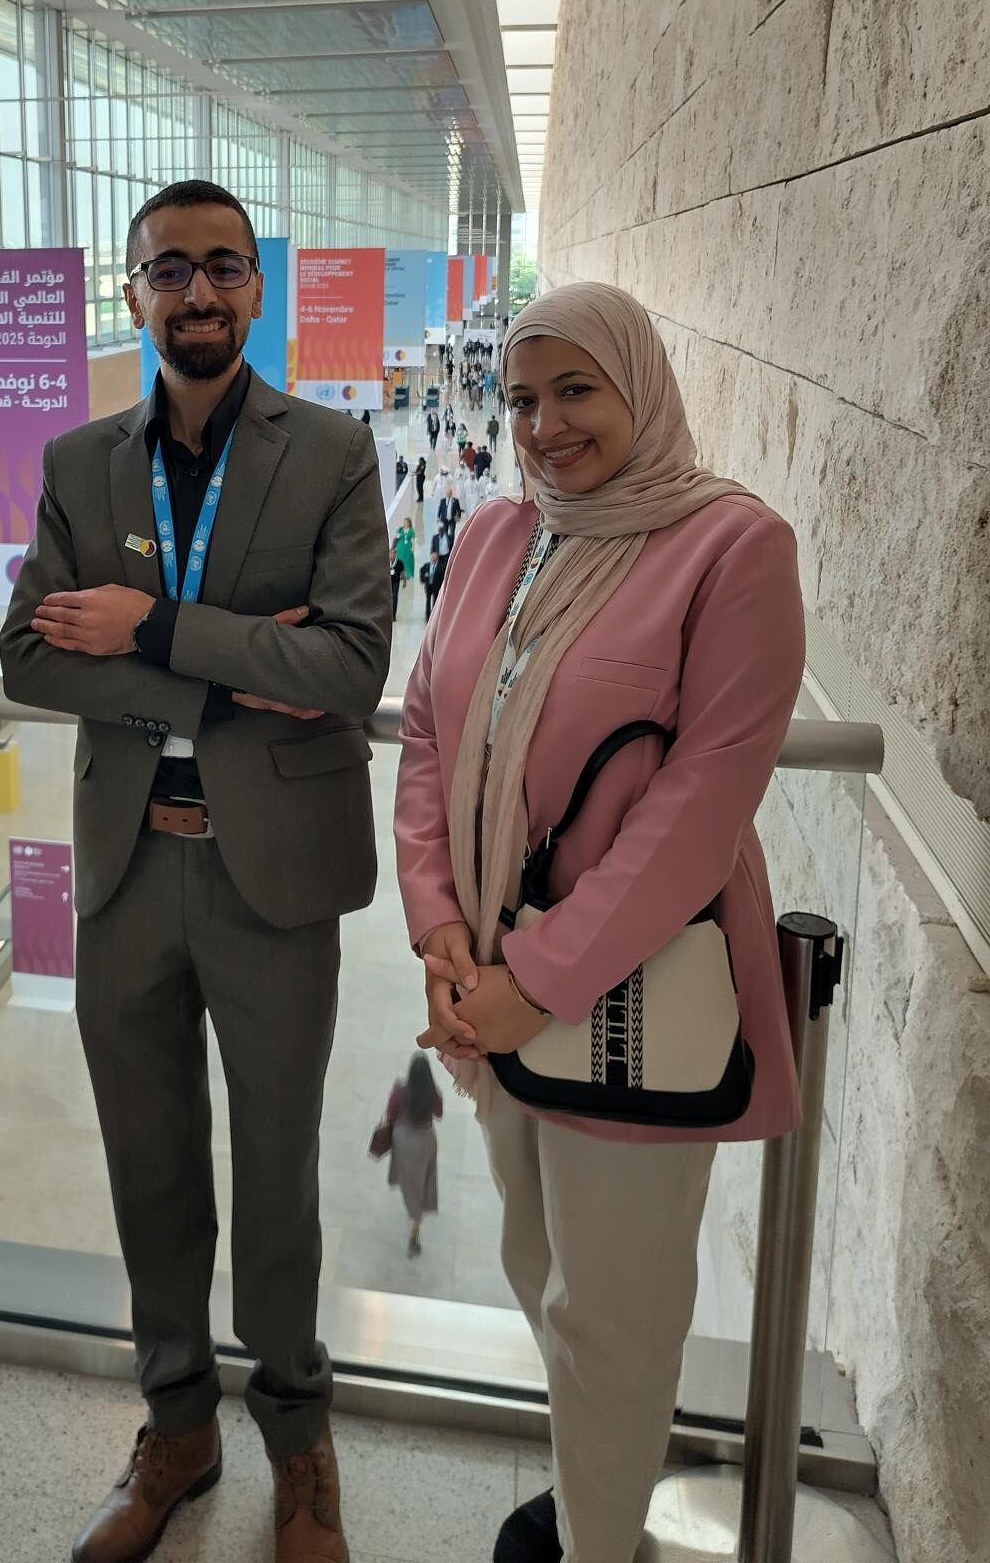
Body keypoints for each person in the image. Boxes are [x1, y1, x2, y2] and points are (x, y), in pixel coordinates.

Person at [1, 178, 392, 1563]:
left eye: (224, 267)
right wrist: (229, 666)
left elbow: (349, 663)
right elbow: (29, 656)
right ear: (133, 294)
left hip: (270, 879)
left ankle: (299, 1437)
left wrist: (154, 625)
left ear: (258, 289)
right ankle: (177, 1424)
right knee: (149, 1165)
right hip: (125, 873)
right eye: (170, 269)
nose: (200, 292)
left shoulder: (334, 450)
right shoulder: (76, 462)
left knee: (276, 1171)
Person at [394, 282, 805, 1563]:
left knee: (612, 1307)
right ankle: (594, 1489)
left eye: (577, 390)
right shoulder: (501, 536)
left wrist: (542, 976)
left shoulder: (732, 548)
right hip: (491, 980)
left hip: (617, 992)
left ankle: (601, 1540)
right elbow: (426, 728)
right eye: (522, 397)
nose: (543, 423)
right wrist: (440, 928)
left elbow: (701, 802)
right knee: (535, 1261)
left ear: (642, 385)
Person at [383, 1052, 443, 1257]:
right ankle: (416, 1225)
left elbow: (390, 1114)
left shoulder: (400, 1091)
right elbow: (439, 1114)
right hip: (426, 1140)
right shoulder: (433, 1093)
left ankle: (413, 1210)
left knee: (408, 1178)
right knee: (424, 1180)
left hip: (404, 1139)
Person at [419, 537, 446, 620]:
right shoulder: (426, 565)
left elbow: (442, 577)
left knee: (435, 601)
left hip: (436, 587)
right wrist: (422, 579)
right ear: (430, 557)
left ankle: (434, 617)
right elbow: (421, 571)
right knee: (428, 601)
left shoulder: (441, 567)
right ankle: (427, 616)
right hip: (428, 586)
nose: (433, 558)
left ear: (437, 558)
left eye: (435, 557)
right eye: (432, 557)